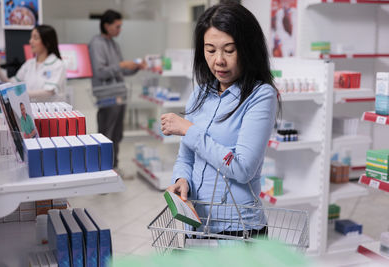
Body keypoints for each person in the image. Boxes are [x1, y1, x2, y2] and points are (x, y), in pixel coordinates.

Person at [161, 3, 281, 236]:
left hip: (238, 230)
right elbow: (186, 157)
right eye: (210, 49)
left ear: (248, 48)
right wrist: (181, 179)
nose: (219, 61)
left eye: (229, 50)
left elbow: (243, 168)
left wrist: (190, 130)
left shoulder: (261, 95)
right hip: (197, 224)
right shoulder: (200, 94)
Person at [89, 9, 146, 175]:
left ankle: (113, 167)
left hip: (119, 94)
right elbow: (100, 72)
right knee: (106, 134)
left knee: (117, 134)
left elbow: (121, 72)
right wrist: (121, 65)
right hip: (107, 96)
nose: (120, 30)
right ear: (106, 25)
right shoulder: (96, 44)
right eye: (117, 26)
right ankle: (102, 171)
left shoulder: (114, 44)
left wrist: (134, 67)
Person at [0, 25, 67, 102]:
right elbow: (12, 83)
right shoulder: (29, 64)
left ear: (47, 42)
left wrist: (19, 93)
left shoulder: (57, 64)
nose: (30, 41)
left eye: (35, 38)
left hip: (52, 113)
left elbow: (49, 91)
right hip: (33, 111)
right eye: (31, 37)